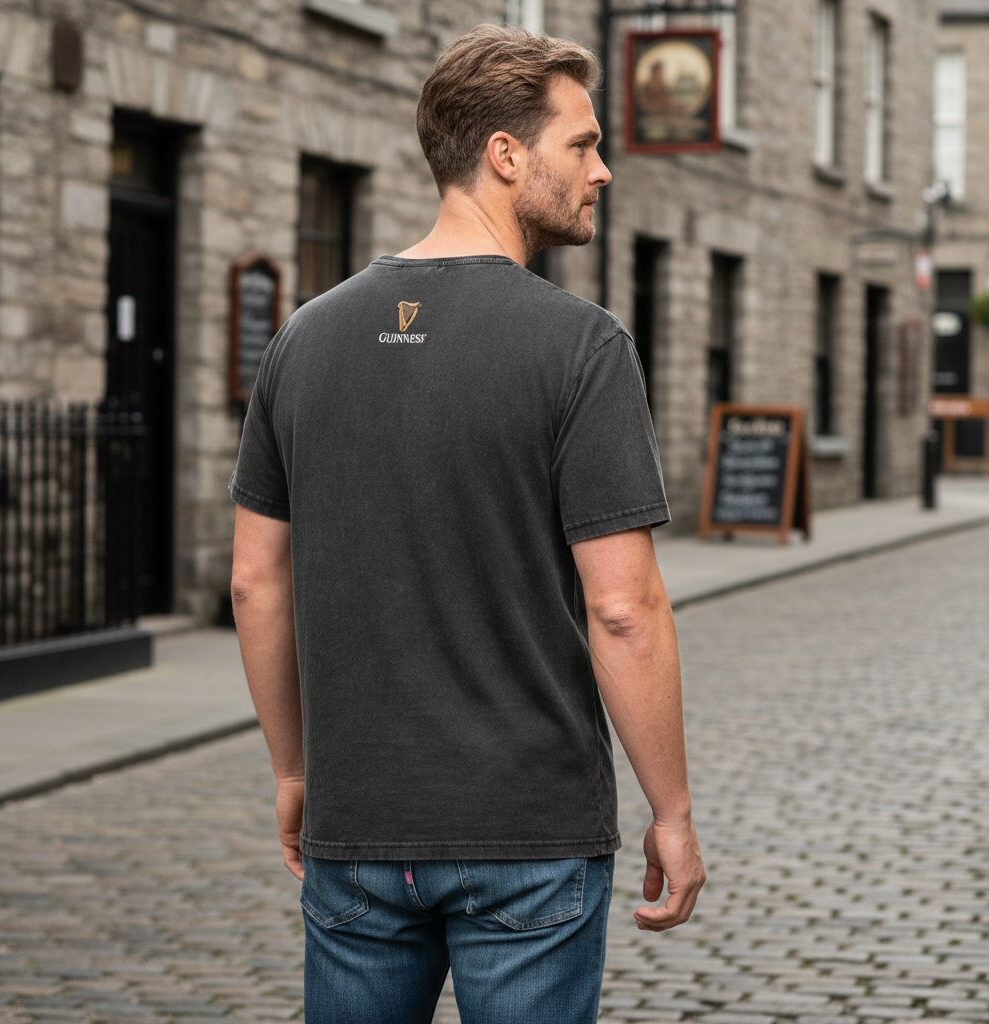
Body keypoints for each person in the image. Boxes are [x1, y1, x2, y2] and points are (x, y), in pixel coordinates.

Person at [230, 23, 705, 1024]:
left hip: (359, 825)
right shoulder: (581, 347)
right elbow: (623, 609)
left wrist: (292, 769)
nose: (602, 170)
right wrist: (671, 809)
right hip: (527, 830)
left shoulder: (303, 339)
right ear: (504, 155)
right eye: (581, 143)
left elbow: (254, 581)